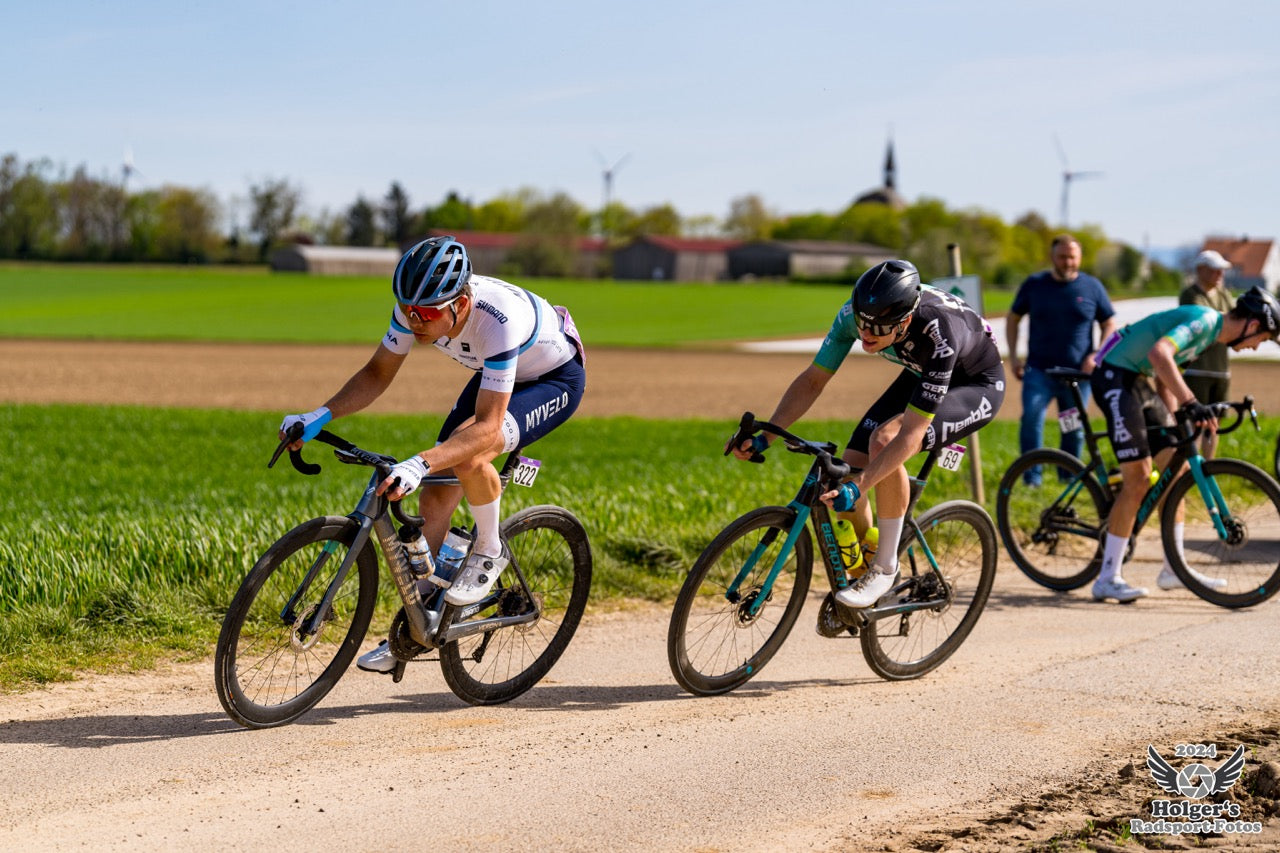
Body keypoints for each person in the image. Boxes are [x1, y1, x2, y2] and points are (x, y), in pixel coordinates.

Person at [279, 235, 587, 670]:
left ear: (460, 304)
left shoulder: (496, 320)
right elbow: (376, 373)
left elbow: (485, 428)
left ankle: (489, 547)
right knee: (434, 497)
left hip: (553, 380)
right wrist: (319, 416)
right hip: (496, 373)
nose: (413, 320)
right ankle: (421, 624)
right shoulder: (417, 307)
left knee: (466, 455)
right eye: (406, 309)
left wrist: (418, 462)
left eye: (424, 314)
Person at [730, 260, 1005, 609]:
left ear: (904, 321)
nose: (866, 333)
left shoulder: (939, 333)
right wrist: (766, 436)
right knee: (848, 467)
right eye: (862, 322)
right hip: (919, 370)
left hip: (973, 384)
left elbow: (909, 435)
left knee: (885, 442)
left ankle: (885, 567)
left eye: (877, 326)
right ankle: (867, 557)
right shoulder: (854, 316)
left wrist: (861, 486)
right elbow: (814, 379)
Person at [1088, 285, 1280, 603]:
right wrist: (1191, 402)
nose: (1258, 347)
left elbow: (1166, 376)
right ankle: (1107, 577)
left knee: (1174, 473)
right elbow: (1158, 354)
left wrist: (1183, 418)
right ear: (1254, 325)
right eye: (1263, 339)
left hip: (1137, 381)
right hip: (1114, 376)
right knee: (1138, 478)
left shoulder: (1209, 338)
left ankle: (1173, 570)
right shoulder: (1205, 321)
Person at [1005, 235, 1116, 484]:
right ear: (1052, 257)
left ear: (1079, 258)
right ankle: (1031, 479)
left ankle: (1068, 477)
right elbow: (1013, 318)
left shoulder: (1092, 287)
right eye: (1062, 257)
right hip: (1039, 372)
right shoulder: (1035, 285)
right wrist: (1013, 356)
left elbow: (1109, 323)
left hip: (1077, 376)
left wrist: (1098, 355)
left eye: (1072, 257)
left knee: (1072, 428)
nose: (1067, 262)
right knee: (1032, 419)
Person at [1178, 249, 1236, 459]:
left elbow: (1233, 321)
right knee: (1195, 423)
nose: (1219, 274)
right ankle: (1190, 468)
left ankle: (1208, 466)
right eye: (1214, 270)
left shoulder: (1223, 294)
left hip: (1221, 370)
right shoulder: (1190, 294)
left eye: (1221, 270)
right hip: (1197, 370)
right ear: (1201, 270)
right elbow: (1206, 322)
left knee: (1214, 423)